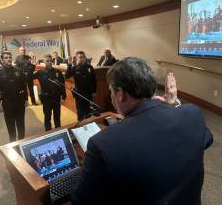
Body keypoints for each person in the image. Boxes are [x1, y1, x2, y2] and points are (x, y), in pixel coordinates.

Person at [72, 57, 213, 205]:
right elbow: (206, 139)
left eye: (111, 91)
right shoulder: (192, 115)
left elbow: (80, 201)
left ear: (120, 94)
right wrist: (175, 105)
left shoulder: (103, 143)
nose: (112, 97)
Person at [0, 51, 28, 142]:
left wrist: (26, 99)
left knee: (21, 124)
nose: (8, 59)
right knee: (10, 125)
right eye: (6, 57)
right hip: (7, 102)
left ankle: (22, 142)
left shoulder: (18, 70)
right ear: (2, 60)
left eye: (9, 57)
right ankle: (13, 143)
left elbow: (24, 86)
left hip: (19, 101)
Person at [33, 54, 66, 131]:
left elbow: (62, 85)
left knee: (57, 118)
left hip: (56, 98)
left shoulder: (58, 72)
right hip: (46, 99)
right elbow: (29, 77)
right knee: (47, 118)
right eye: (47, 61)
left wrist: (64, 97)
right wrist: (32, 66)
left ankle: (58, 132)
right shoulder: (40, 72)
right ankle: (48, 133)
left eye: (50, 61)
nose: (49, 62)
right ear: (44, 62)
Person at [66, 51, 97, 121]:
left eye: (83, 57)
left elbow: (94, 80)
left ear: (85, 58)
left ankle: (89, 127)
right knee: (80, 113)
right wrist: (69, 65)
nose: (82, 59)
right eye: (80, 57)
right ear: (77, 58)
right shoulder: (74, 68)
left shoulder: (90, 67)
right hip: (79, 94)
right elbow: (67, 76)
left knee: (88, 112)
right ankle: (80, 128)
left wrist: (94, 91)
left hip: (88, 94)